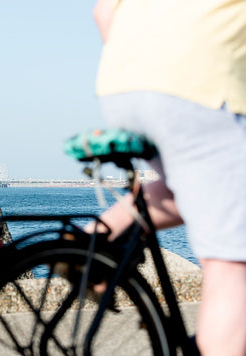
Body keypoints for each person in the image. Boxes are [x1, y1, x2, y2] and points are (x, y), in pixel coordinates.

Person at [91, 0, 246, 355]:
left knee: (195, 190)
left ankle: (92, 241)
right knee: (232, 262)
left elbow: (102, 13)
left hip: (121, 83)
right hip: (199, 86)